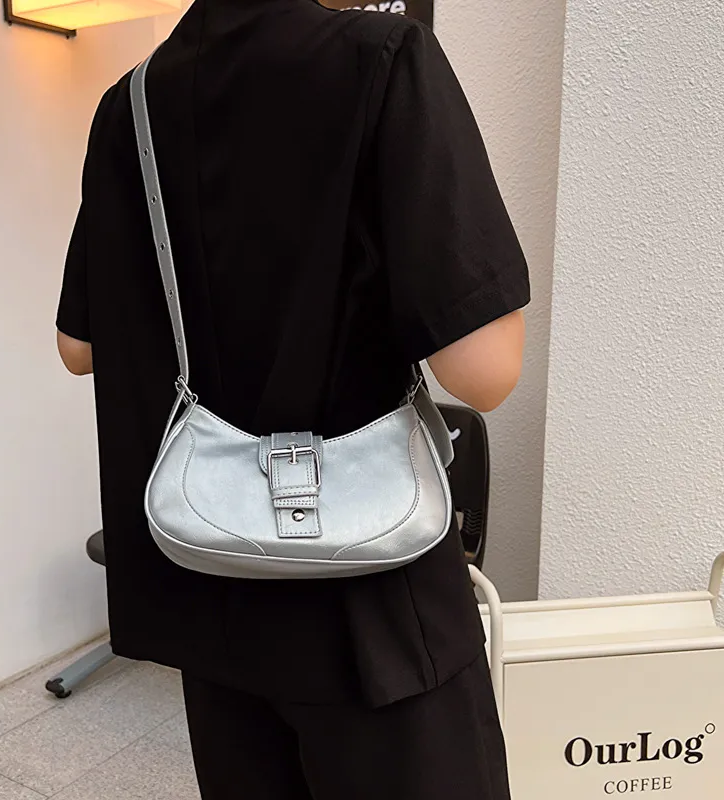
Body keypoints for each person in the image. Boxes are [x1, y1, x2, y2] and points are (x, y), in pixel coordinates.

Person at [56, 0, 529, 797]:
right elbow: (485, 372)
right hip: (373, 606)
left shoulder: (128, 105)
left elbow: (79, 348)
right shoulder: (386, 57)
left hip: (213, 579)